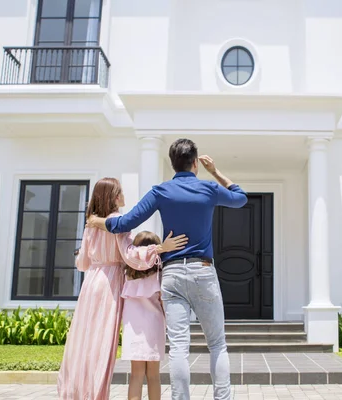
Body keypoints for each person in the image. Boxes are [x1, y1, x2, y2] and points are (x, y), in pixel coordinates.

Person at [87, 139, 248, 400]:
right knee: (217, 344)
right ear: (195, 163)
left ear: (173, 164)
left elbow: (124, 223)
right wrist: (216, 172)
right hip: (203, 271)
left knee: (179, 349)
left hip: (172, 275)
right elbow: (240, 198)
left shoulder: (161, 191)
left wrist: (97, 220)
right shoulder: (208, 188)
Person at [57, 177, 188, 400]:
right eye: (120, 192)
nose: (123, 195)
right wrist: (159, 248)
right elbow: (130, 256)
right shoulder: (117, 221)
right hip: (110, 282)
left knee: (86, 342)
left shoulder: (91, 224)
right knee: (103, 344)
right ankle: (95, 394)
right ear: (114, 196)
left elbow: (83, 263)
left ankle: (79, 392)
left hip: (91, 283)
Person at [121, 231, 166, 400]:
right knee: (154, 375)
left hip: (133, 327)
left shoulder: (126, 275)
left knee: (136, 375)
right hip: (154, 326)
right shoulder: (160, 275)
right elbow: (163, 302)